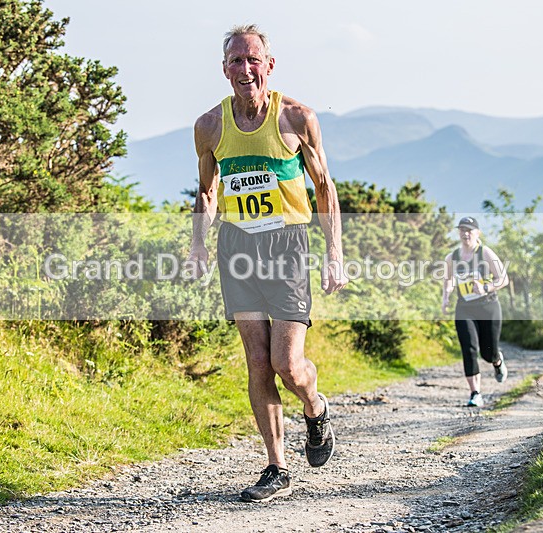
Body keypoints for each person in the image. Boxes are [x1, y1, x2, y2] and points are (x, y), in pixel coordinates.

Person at [188, 24, 348, 503]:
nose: (245, 69)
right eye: (236, 61)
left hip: (287, 248)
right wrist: (198, 244)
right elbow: (206, 189)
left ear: (269, 65)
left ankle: (315, 407)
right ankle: (277, 467)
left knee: (288, 364)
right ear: (224, 70)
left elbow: (324, 187)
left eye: (253, 59)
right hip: (236, 249)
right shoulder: (209, 126)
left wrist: (335, 253)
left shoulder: (297, 118)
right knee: (257, 362)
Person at [441, 216, 509, 407]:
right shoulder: (452, 257)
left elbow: (503, 279)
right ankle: (475, 393)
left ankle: (497, 361)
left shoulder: (485, 253)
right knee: (469, 348)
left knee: (488, 353)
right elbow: (448, 279)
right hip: (465, 308)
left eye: (469, 230)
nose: (466, 233)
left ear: (477, 233)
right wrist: (446, 297)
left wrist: (486, 288)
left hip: (488, 306)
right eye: (462, 230)